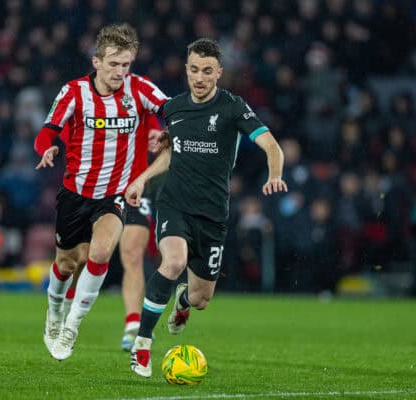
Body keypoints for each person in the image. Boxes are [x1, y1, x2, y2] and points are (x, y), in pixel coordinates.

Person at [125, 38, 288, 377]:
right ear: (187, 70)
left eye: (207, 71)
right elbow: (172, 153)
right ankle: (142, 343)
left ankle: (182, 301)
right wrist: (142, 178)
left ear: (219, 73)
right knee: (173, 261)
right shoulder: (174, 107)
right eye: (194, 70)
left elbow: (271, 145)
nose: (199, 78)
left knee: (201, 298)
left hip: (212, 214)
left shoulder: (233, 108)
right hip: (174, 204)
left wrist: (275, 175)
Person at [33, 24, 168, 361]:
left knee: (101, 253)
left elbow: (172, 110)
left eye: (126, 65)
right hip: (75, 194)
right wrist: (46, 148)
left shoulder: (139, 90)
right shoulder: (73, 92)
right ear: (96, 62)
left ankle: (72, 327)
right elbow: (46, 132)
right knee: (65, 263)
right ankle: (54, 314)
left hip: (113, 196)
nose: (120, 72)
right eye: (113, 64)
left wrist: (170, 130)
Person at [57, 112, 164, 352]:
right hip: (95, 190)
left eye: (122, 71)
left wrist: (157, 138)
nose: (119, 73)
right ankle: (67, 302)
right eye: (114, 70)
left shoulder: (139, 100)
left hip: (134, 186)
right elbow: (70, 138)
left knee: (133, 252)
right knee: (83, 255)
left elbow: (154, 135)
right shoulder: (85, 104)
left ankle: (133, 326)